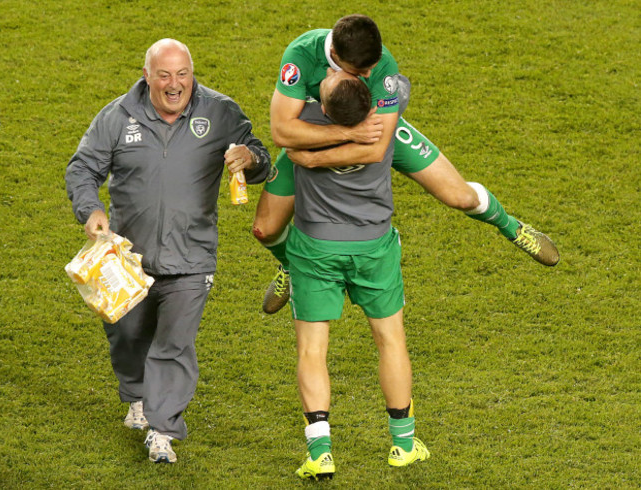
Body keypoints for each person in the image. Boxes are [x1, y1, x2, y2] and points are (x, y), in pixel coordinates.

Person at [254, 14, 560, 315]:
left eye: (371, 67)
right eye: (360, 71)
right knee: (265, 229)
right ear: (334, 55)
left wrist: (312, 158)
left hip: (374, 133)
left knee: (460, 197)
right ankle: (291, 265)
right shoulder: (301, 55)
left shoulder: (380, 61)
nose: (370, 74)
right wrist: (346, 132)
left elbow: (376, 150)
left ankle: (512, 227)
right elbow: (281, 132)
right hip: (326, 133)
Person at [65, 39, 270, 464]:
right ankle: (136, 396)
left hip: (192, 256)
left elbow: (264, 159)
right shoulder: (117, 116)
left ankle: (162, 431)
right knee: (127, 336)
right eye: (164, 75)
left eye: (182, 74)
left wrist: (249, 157)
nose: (174, 85)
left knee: (174, 344)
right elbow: (83, 167)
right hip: (127, 260)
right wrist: (91, 209)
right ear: (147, 76)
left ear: (192, 74)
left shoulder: (220, 112)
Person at [289, 68, 430, 481]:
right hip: (373, 245)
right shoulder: (386, 110)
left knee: (312, 350)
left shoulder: (307, 122)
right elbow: (398, 83)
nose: (327, 76)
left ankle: (320, 453)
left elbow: (283, 133)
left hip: (315, 246)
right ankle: (403, 444)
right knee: (390, 339)